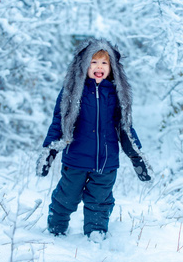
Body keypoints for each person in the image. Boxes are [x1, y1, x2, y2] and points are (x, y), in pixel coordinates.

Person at [36, 37, 153, 238]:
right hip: (76, 160)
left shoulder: (117, 95)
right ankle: (55, 230)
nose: (99, 66)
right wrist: (50, 151)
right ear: (84, 66)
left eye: (104, 62)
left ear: (112, 67)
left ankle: (96, 235)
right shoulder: (73, 92)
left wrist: (137, 157)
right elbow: (59, 122)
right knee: (67, 197)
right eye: (93, 62)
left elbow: (125, 128)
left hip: (106, 162)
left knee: (100, 200)